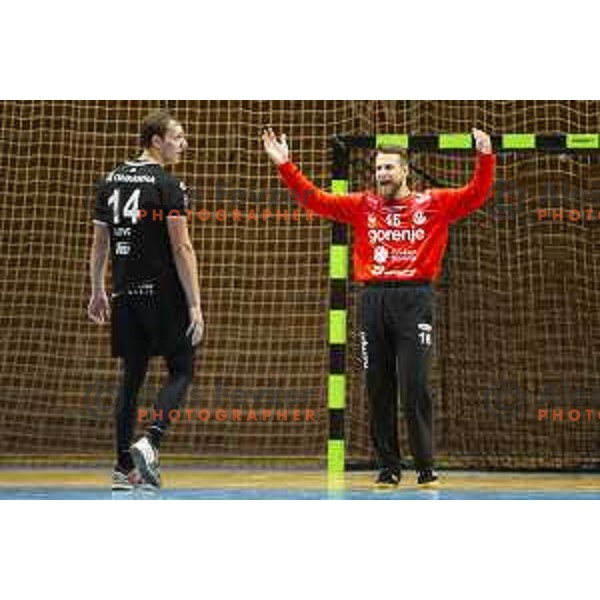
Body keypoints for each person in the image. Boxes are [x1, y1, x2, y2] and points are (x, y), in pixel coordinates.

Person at [263, 127, 495, 486]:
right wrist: (285, 165)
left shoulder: (433, 203)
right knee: (377, 386)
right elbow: (316, 200)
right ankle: (388, 466)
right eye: (378, 169)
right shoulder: (362, 206)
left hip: (414, 301)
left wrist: (485, 157)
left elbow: (477, 194)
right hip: (373, 302)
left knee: (415, 386)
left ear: (405, 171)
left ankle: (425, 466)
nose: (382, 174)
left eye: (389, 168)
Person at [88, 111, 204, 490]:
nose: (183, 144)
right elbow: (182, 246)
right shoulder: (168, 184)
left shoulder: (109, 180)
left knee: (131, 379)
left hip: (124, 295)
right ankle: (151, 439)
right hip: (161, 293)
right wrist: (195, 304)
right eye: (177, 137)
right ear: (156, 141)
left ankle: (123, 468)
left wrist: (97, 290)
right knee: (183, 367)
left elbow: (100, 243)